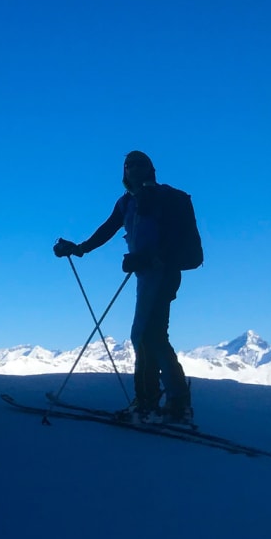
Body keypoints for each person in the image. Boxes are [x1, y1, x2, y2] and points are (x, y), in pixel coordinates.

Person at [53, 150, 193, 423]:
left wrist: (146, 258)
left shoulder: (162, 198)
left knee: (145, 335)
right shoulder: (127, 202)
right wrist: (79, 249)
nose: (132, 169)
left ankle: (154, 402)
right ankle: (166, 402)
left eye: (138, 164)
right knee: (150, 335)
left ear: (150, 169)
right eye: (128, 165)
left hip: (161, 272)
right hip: (148, 274)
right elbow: (108, 228)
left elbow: (171, 239)